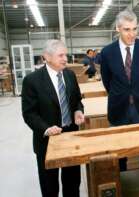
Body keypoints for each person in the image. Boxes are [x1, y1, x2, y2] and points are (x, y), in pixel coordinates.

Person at [21, 40, 85, 197]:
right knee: (50, 186)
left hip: (70, 137)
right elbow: (29, 113)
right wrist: (46, 129)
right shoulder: (32, 81)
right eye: (61, 55)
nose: (65, 59)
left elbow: (77, 100)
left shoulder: (69, 75)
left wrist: (77, 110)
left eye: (66, 54)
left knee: (72, 183)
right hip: (47, 141)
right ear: (46, 57)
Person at [100, 10, 139, 171]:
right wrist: (121, 94)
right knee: (119, 158)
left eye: (135, 29)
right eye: (127, 29)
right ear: (118, 29)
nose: (132, 34)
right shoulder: (107, 52)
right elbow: (107, 81)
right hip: (118, 109)